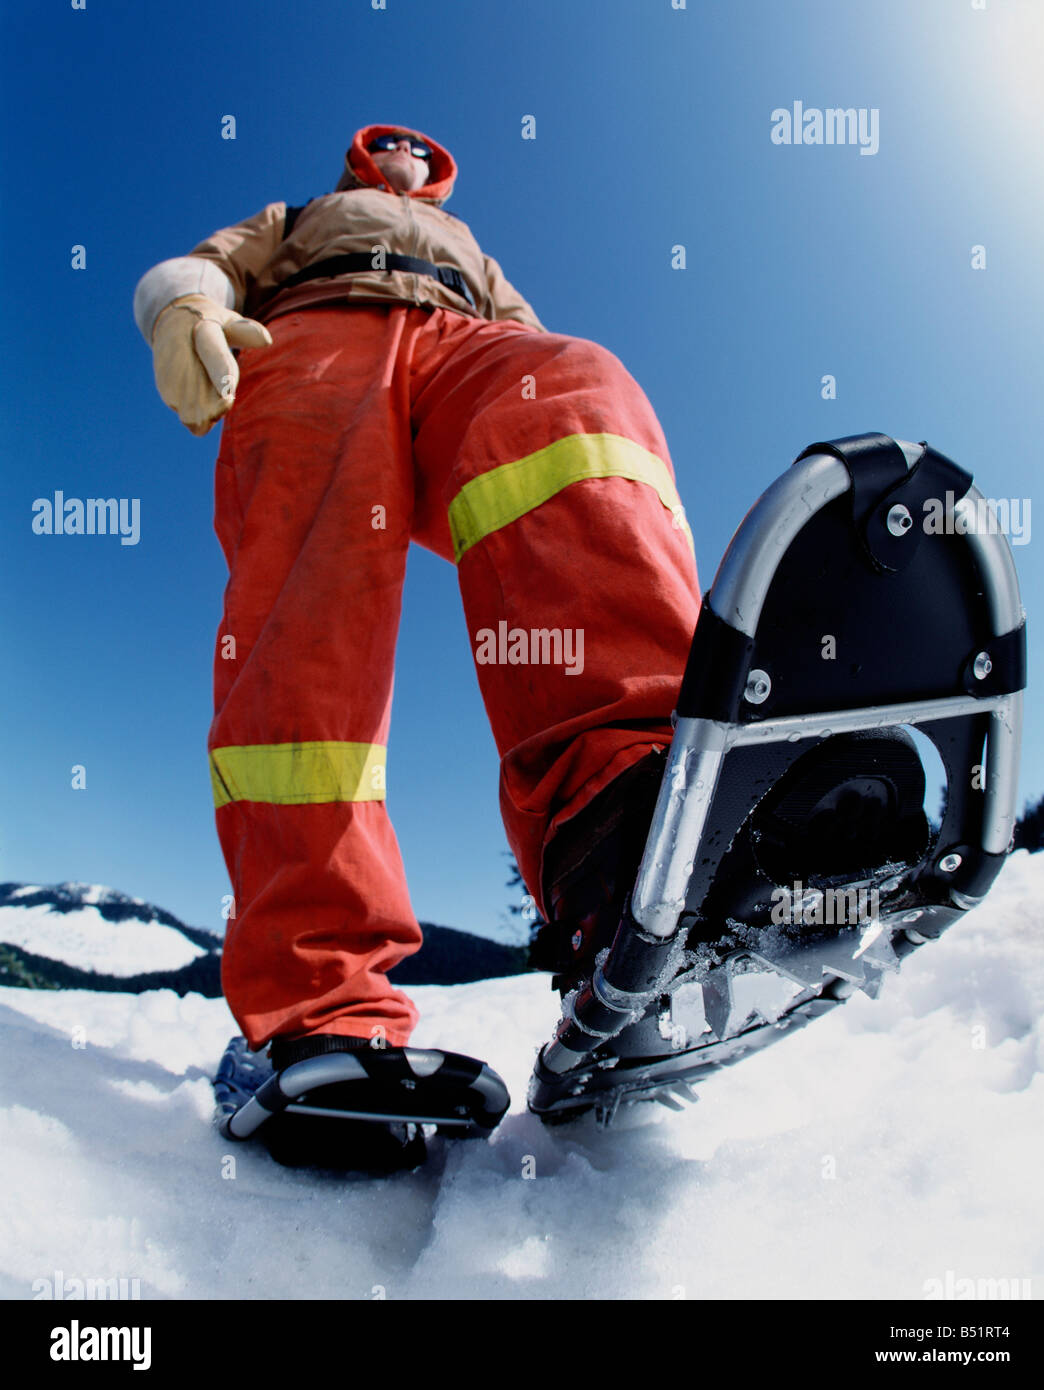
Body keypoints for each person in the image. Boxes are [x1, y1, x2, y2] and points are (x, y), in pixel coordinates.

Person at [134, 125, 702, 1074]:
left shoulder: (471, 248)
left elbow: (526, 331)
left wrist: (525, 358)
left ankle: (630, 830)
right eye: (383, 138)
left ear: (435, 170)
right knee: (309, 640)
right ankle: (323, 1010)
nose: (401, 147)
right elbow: (209, 263)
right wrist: (183, 304)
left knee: (571, 387)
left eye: (417, 142)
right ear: (361, 158)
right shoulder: (305, 216)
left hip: (459, 343)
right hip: (313, 341)